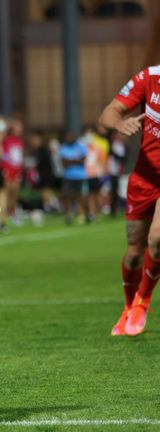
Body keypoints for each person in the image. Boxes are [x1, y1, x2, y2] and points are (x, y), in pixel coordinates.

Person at [100, 66, 160, 336]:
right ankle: (128, 307)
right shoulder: (148, 78)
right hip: (144, 180)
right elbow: (108, 113)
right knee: (134, 253)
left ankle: (142, 302)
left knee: (157, 240)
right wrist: (120, 124)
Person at [58, 131, 88, 225]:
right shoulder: (64, 147)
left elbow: (82, 161)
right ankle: (68, 216)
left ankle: (87, 214)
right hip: (68, 176)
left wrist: (70, 160)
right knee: (67, 196)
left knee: (80, 197)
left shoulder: (81, 146)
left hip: (80, 176)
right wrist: (76, 160)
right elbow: (64, 163)